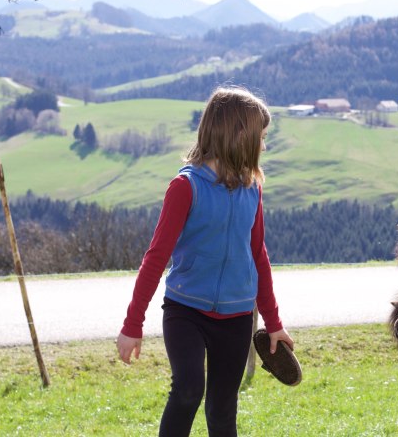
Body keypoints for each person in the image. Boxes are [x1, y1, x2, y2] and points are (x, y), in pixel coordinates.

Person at [116, 86, 293, 437]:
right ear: (237, 133)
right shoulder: (185, 187)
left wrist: (273, 323)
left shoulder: (252, 189)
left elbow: (258, 254)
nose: (263, 145)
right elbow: (156, 258)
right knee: (187, 390)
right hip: (186, 310)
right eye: (261, 136)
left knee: (223, 408)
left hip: (237, 316)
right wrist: (132, 324)